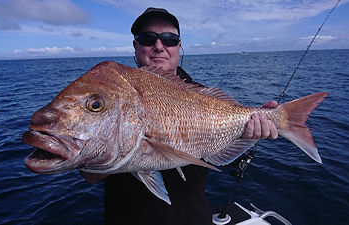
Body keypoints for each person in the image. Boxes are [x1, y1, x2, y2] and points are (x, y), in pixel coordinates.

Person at [103, 7, 278, 225]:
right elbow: (90, 174)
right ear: (135, 46)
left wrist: (250, 132)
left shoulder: (202, 95)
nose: (159, 46)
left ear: (179, 46)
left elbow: (223, 159)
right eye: (148, 38)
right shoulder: (114, 94)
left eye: (169, 39)